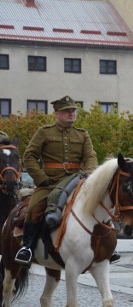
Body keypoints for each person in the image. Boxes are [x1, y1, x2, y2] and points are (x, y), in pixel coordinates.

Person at [15, 95, 99, 266]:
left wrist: (90, 174)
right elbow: (29, 157)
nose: (71, 114)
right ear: (57, 114)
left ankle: (106, 247)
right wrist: (41, 178)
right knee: (33, 208)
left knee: (99, 204)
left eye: (73, 111)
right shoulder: (44, 132)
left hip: (76, 181)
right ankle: (27, 247)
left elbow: (91, 156)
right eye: (67, 111)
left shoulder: (83, 135)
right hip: (50, 182)